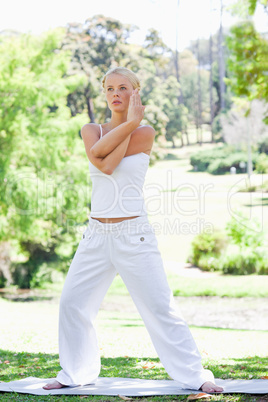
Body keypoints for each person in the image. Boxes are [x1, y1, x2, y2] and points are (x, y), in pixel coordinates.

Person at [43, 67, 223, 393]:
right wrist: (130, 121)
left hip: (133, 234)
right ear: (104, 93)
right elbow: (101, 158)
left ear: (135, 93)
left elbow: (107, 164)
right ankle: (75, 373)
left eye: (123, 88)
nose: (115, 94)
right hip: (96, 233)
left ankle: (196, 375)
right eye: (110, 88)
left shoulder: (146, 133)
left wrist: (132, 124)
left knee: (159, 307)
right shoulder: (91, 130)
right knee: (72, 303)